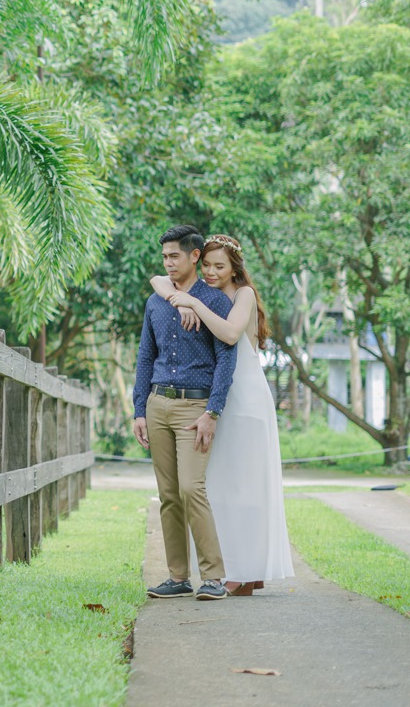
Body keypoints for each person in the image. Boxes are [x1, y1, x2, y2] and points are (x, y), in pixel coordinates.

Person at [151, 234, 295, 595]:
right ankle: (234, 568)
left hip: (244, 400)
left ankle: (244, 569)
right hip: (216, 398)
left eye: (220, 266)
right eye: (208, 266)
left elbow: (230, 334)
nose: (212, 272)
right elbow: (157, 280)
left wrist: (192, 305)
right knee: (216, 487)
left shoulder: (241, 295)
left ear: (235, 268)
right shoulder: (198, 294)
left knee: (244, 487)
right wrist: (178, 297)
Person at [133, 225, 237, 601]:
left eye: (174, 255)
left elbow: (228, 359)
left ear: (194, 256)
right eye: (164, 257)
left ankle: (214, 576)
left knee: (192, 488)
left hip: (195, 406)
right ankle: (178, 576)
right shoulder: (156, 301)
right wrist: (139, 409)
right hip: (157, 403)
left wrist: (213, 411)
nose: (168, 263)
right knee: (169, 494)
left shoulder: (216, 301)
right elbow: (146, 356)